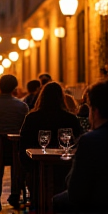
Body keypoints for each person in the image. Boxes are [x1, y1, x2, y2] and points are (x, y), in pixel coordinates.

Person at [19, 82, 82, 209]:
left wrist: (28, 168)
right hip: (64, 168)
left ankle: (39, 206)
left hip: (36, 169)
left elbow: (23, 144)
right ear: (62, 98)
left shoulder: (32, 118)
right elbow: (79, 140)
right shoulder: (70, 118)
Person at [53, 80, 108, 213]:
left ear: (94, 111)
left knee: (59, 200)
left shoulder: (89, 141)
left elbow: (75, 191)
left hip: (98, 203)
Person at [0, 74, 29, 213]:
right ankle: (15, 195)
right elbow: (25, 128)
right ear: (15, 88)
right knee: (17, 169)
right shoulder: (22, 106)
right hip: (17, 146)